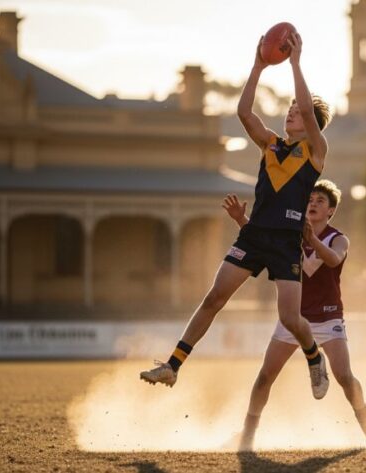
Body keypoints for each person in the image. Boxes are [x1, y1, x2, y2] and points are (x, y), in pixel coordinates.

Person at [141, 32, 331, 399]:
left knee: (291, 319)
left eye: (297, 110)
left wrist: (294, 63)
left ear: (311, 125)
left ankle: (313, 357)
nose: (292, 111)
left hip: (286, 242)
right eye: (289, 108)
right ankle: (172, 366)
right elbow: (244, 113)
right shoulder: (271, 144)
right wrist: (258, 66)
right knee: (214, 298)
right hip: (255, 234)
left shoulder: (316, 152)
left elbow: (309, 111)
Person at [222, 181, 366, 451]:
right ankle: (248, 433)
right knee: (265, 377)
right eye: (309, 199)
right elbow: (262, 245)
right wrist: (242, 221)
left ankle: (365, 421)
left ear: (331, 211)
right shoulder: (290, 234)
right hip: (293, 319)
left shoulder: (337, 238)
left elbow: (330, 260)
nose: (312, 203)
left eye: (320, 200)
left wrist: (311, 241)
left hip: (328, 318)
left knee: (344, 376)